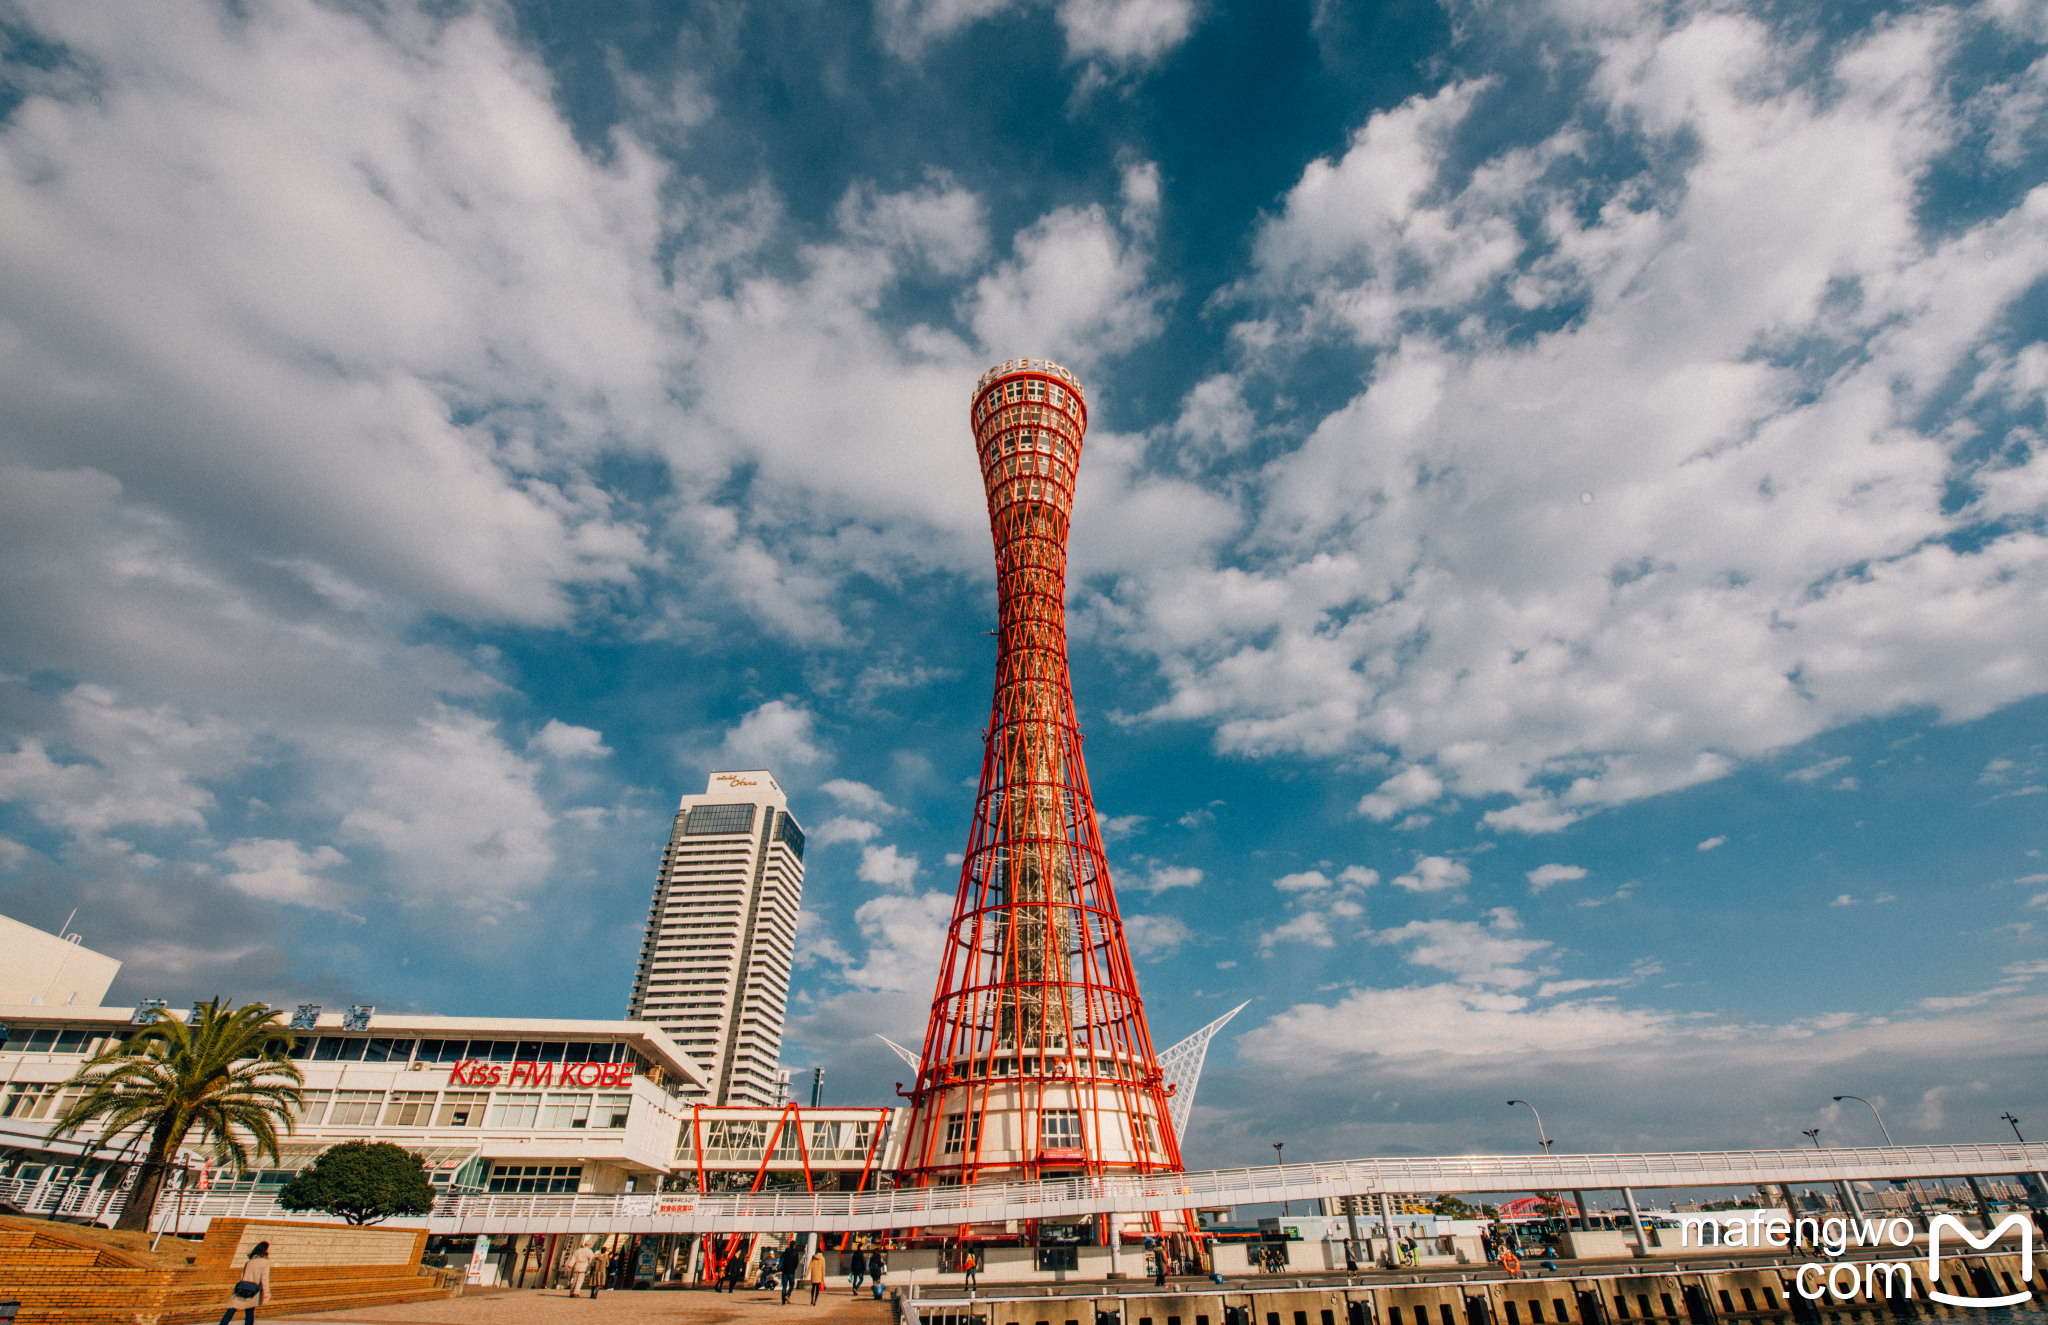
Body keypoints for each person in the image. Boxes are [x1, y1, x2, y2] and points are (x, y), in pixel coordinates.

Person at [218, 1240, 271, 1325]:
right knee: (249, 1312)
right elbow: (264, 1277)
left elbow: (242, 1276)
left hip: (242, 1288)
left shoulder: (249, 1261)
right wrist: (266, 1291)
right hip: (253, 1290)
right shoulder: (265, 1262)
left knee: (231, 1310)